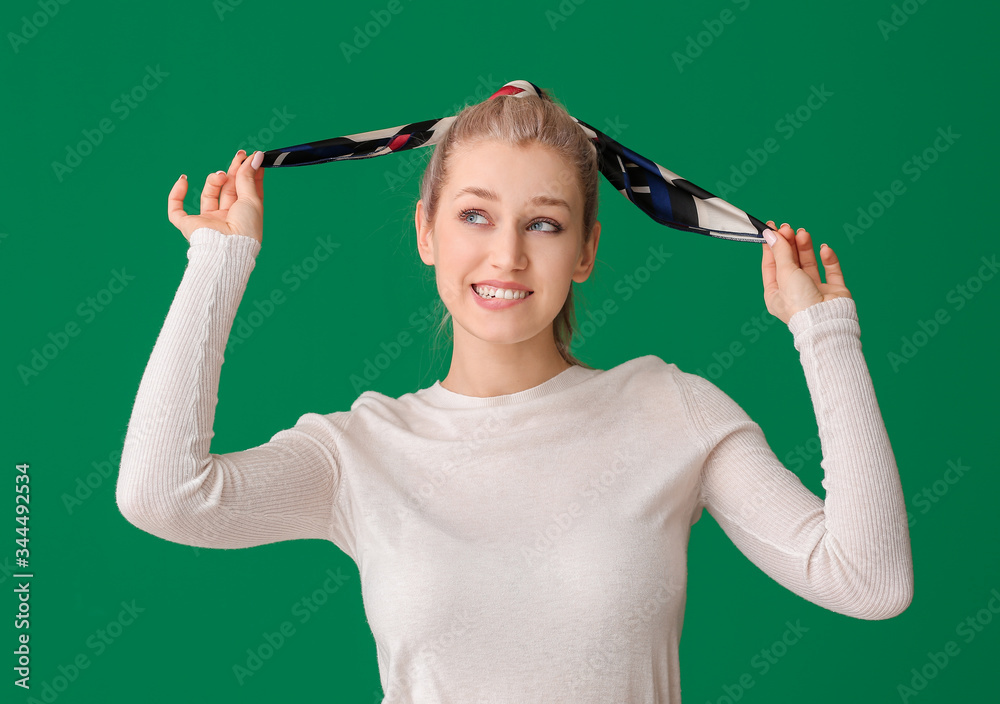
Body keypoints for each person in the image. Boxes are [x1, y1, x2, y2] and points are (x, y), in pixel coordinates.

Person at [116, 91, 913, 703]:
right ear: (426, 232)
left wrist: (824, 332)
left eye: (544, 224)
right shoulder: (358, 450)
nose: (505, 255)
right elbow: (163, 496)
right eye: (474, 216)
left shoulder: (673, 411)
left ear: (587, 250)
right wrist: (219, 262)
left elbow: (869, 581)